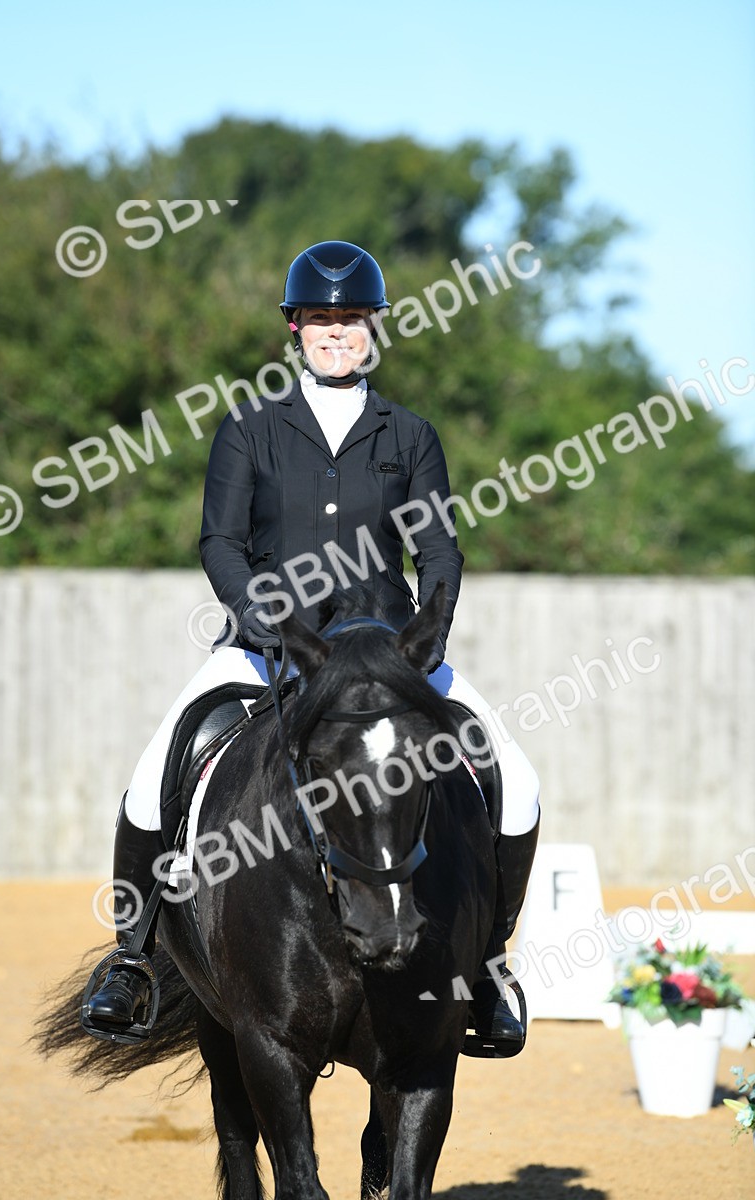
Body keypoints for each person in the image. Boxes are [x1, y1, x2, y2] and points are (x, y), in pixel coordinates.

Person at [84, 240, 540, 1052]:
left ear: (373, 330)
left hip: (390, 652)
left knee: (517, 776)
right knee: (154, 774)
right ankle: (134, 958)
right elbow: (220, 542)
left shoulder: (410, 435)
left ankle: (492, 966)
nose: (338, 332)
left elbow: (438, 548)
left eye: (353, 320)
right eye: (322, 319)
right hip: (268, 648)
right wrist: (259, 621)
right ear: (294, 328)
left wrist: (428, 637)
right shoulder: (250, 429)